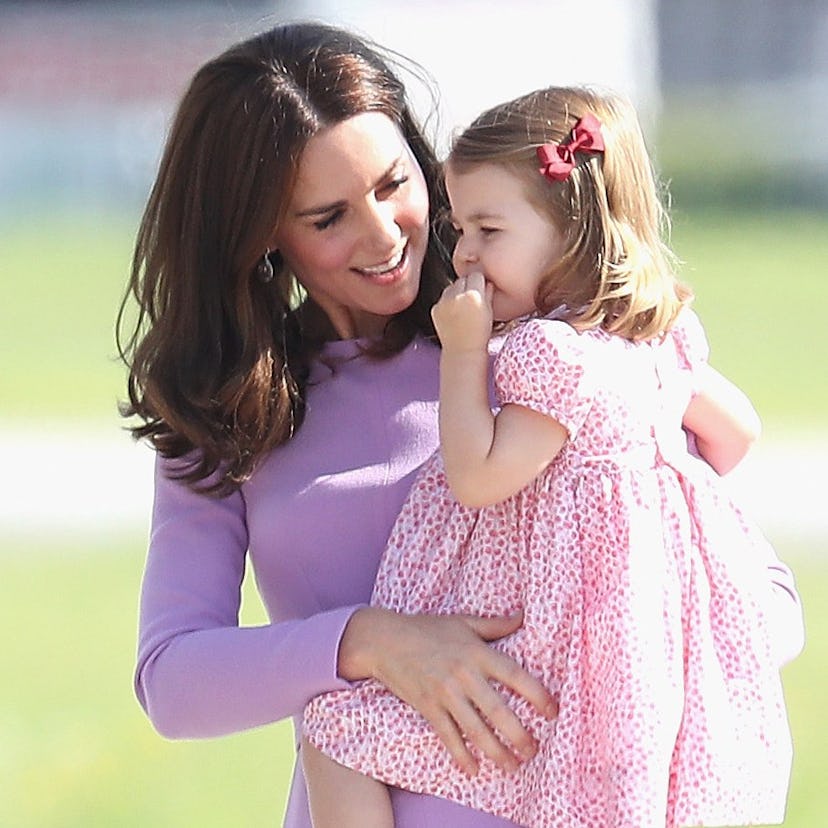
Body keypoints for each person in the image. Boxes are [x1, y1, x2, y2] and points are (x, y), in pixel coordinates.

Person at [300, 85, 803, 828]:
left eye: (487, 230)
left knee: (335, 731)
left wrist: (465, 353)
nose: (462, 253)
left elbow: (477, 477)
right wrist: (661, 499)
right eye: (458, 225)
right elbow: (736, 434)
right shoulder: (655, 336)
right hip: (646, 650)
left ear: (572, 234)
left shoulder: (551, 356)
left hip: (562, 645)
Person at [116, 21, 564, 828]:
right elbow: (173, 682)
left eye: (394, 183)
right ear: (260, 237)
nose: (387, 235)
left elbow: (762, 600)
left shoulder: (547, 342)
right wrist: (369, 642)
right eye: (329, 218)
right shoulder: (229, 412)